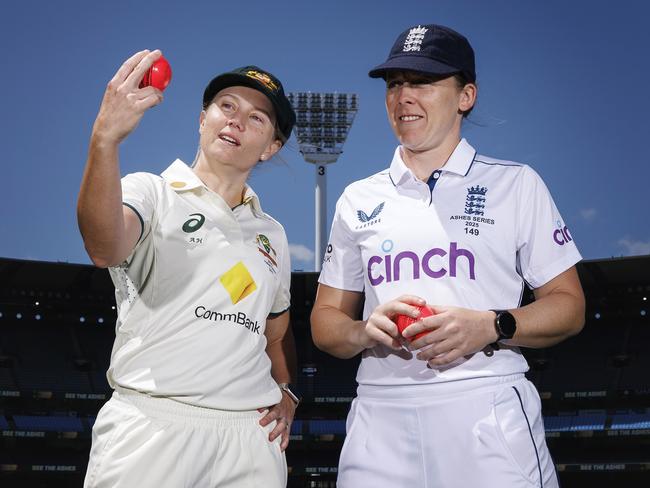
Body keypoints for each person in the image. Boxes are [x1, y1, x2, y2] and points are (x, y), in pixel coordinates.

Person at [311, 24, 585, 488]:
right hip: (380, 413)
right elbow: (324, 321)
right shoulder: (358, 198)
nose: (404, 97)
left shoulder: (516, 183)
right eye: (395, 84)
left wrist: (491, 325)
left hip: (484, 405)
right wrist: (361, 330)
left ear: (466, 96)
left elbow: (570, 306)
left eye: (422, 82)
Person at [77, 49, 300, 488]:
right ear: (203, 119)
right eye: (227, 106)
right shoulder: (151, 191)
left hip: (250, 437)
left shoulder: (272, 233)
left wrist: (288, 392)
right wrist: (105, 139)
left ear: (271, 147)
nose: (236, 120)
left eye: (257, 118)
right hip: (153, 425)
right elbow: (103, 246)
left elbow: (276, 331)